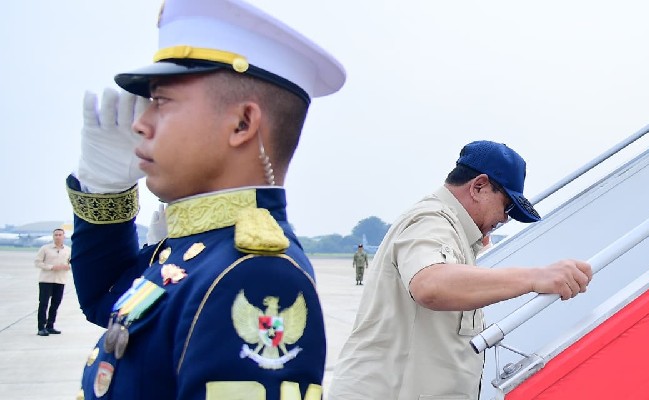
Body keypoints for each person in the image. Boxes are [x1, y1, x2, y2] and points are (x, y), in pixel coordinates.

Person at [64, 0, 345, 399]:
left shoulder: (255, 273)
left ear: (242, 124)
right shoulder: (202, 248)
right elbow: (106, 297)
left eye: (161, 102)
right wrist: (104, 193)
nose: (140, 123)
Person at [328, 140, 593, 400]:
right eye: (507, 206)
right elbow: (430, 284)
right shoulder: (433, 220)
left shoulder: (455, 234)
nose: (505, 218)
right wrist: (535, 277)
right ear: (479, 186)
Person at [34, 228, 71, 336]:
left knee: (55, 304)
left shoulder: (68, 250)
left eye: (60, 235)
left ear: (64, 237)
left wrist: (67, 267)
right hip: (46, 280)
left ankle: (50, 326)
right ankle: (41, 327)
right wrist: (51, 267)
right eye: (56, 235)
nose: (58, 237)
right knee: (43, 303)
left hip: (60, 280)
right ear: (53, 236)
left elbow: (71, 262)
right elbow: (37, 262)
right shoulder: (45, 248)